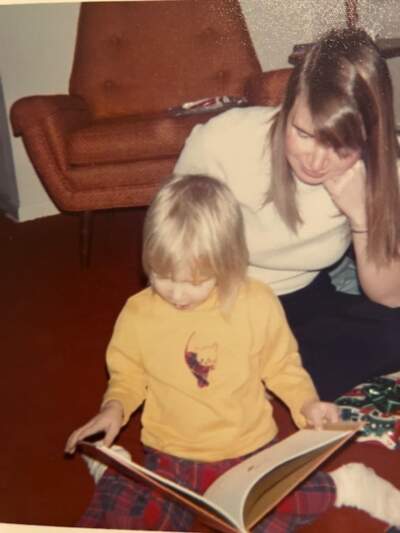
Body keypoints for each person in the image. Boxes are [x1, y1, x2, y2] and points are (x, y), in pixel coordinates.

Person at [65, 174, 400, 531]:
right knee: (132, 520)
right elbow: (128, 374)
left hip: (249, 451)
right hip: (169, 454)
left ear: (227, 262)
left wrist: (307, 405)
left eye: (195, 282)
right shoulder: (138, 313)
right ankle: (116, 469)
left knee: (271, 514)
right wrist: (114, 407)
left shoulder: (256, 302)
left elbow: (283, 367)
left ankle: (346, 484)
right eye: (162, 276)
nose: (177, 294)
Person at [173, 27, 400, 401]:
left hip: (305, 299)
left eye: (340, 146)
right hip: (222, 297)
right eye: (303, 133)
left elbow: (389, 296)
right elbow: (172, 249)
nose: (315, 160)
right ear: (287, 105)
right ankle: (266, 374)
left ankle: (261, 375)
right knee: (188, 356)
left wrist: (362, 215)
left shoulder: (381, 165)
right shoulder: (222, 140)